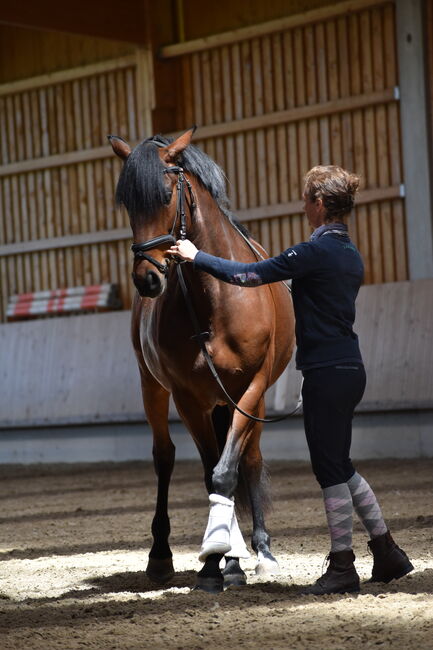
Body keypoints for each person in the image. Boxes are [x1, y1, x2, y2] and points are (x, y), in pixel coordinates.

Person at [168, 164, 414, 595]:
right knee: (342, 465)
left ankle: (343, 565)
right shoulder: (349, 253)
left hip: (326, 373)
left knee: (329, 469)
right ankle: (386, 550)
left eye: (305, 200)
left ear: (319, 203)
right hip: (348, 369)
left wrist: (196, 257)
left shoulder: (314, 252)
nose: (303, 208)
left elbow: (249, 275)